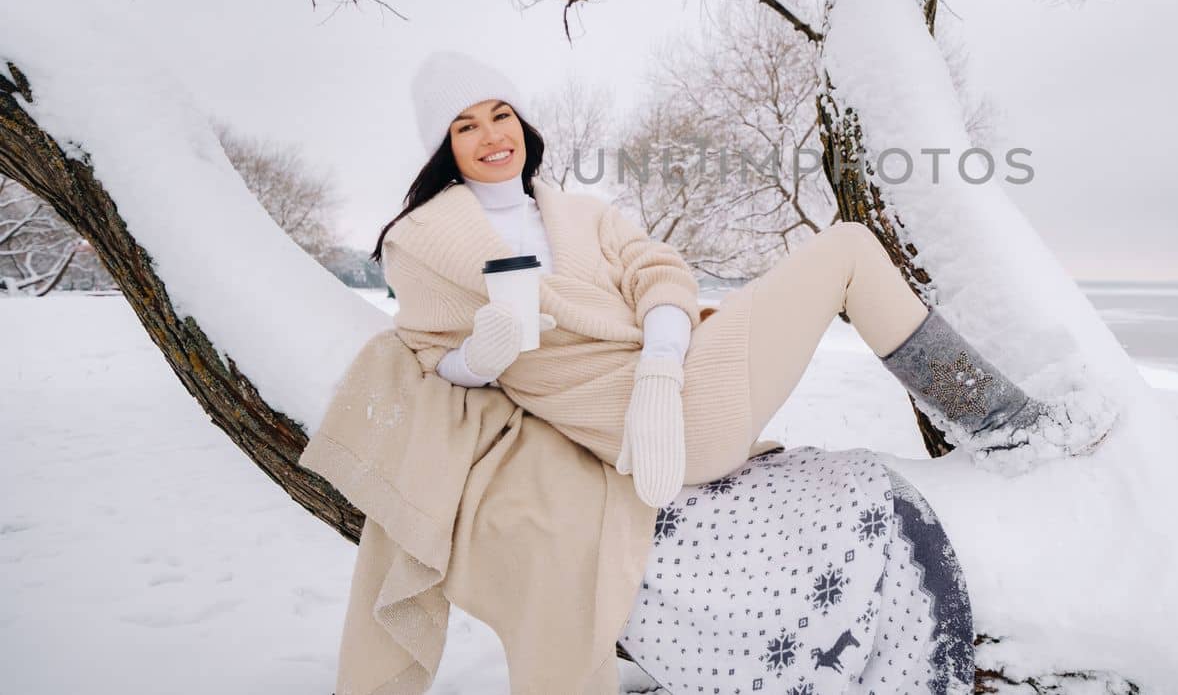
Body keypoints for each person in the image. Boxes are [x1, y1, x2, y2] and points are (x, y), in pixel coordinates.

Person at [372, 49, 1059, 690]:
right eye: (465, 125)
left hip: (675, 380)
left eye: (501, 114)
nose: (493, 134)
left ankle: (996, 417)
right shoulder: (421, 242)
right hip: (663, 435)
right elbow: (432, 363)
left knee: (846, 248)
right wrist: (481, 355)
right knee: (847, 249)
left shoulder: (576, 211)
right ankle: (1005, 424)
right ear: (444, 148)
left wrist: (662, 366)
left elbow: (661, 273)